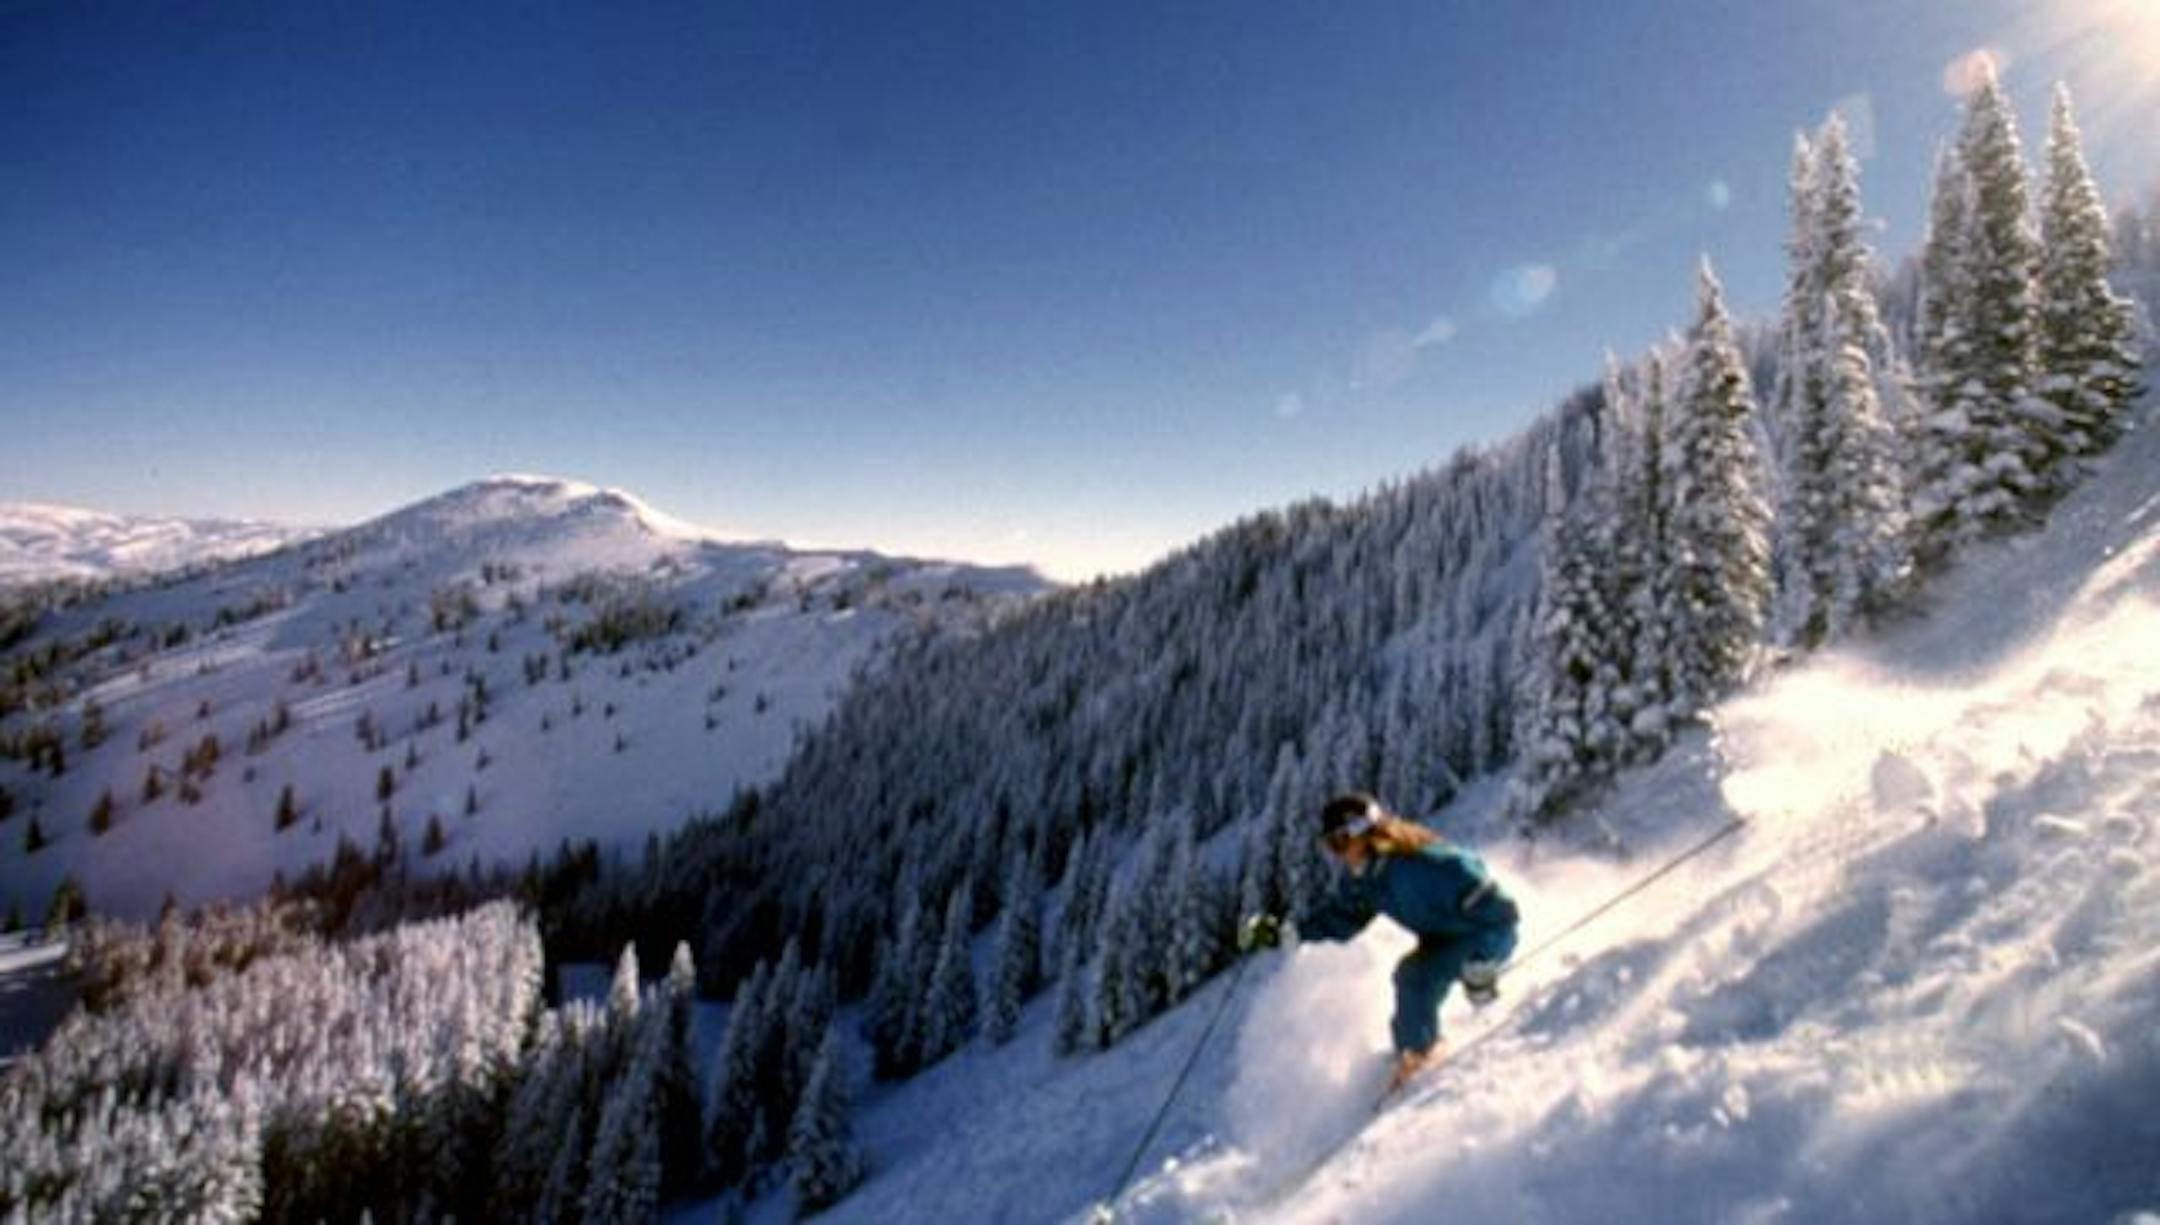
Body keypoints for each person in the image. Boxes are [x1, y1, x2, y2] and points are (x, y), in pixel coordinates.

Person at [1240, 791, 1520, 1093]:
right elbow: (1342, 918)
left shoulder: (1426, 864)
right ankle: (1415, 1057)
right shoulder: (1367, 878)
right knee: (1412, 978)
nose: (1338, 854)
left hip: (1479, 935)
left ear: (1363, 832)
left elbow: (1504, 916)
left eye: (1340, 842)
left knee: (1420, 979)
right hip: (1442, 940)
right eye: (1330, 846)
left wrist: (1484, 961)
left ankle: (1434, 1058)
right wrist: (1286, 933)